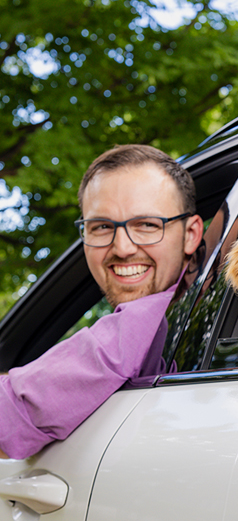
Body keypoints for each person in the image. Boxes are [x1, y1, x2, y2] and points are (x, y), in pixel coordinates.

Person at [0, 145, 203, 459]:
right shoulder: (188, 309)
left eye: (147, 225)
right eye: (102, 227)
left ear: (191, 234)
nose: (122, 248)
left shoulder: (141, 323)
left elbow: (13, 413)